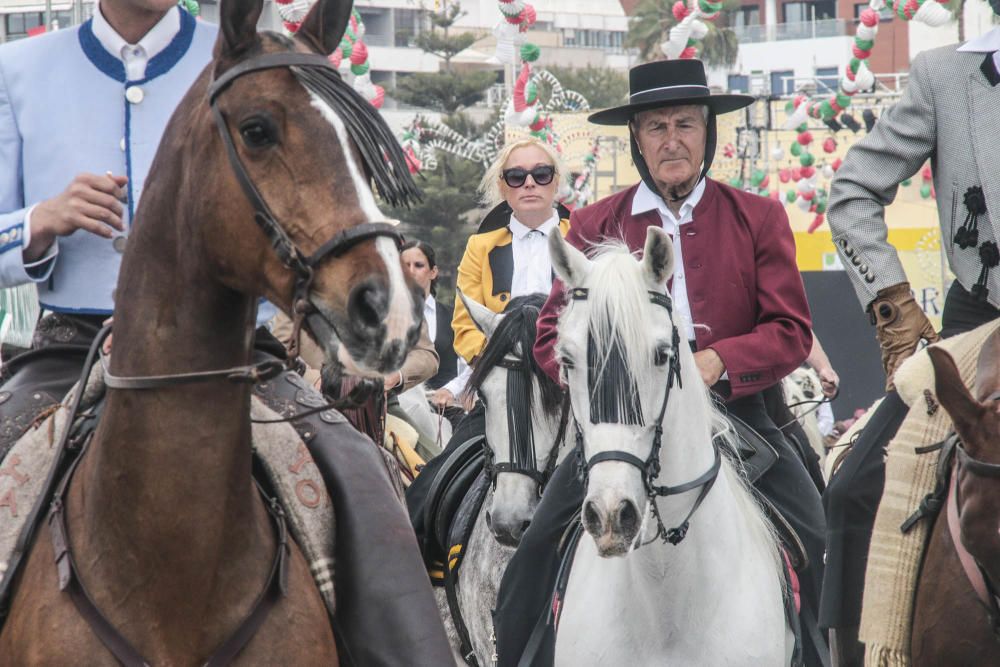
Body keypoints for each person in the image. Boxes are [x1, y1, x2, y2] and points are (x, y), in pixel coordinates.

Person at [0, 4, 450, 663]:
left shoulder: (251, 55)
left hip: (245, 353)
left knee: (362, 472)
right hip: (69, 348)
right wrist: (40, 218)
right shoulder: (20, 69)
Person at [493, 59, 828, 666]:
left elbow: (790, 331)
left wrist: (716, 363)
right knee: (533, 557)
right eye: (655, 127)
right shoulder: (595, 223)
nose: (671, 139)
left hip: (745, 415)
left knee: (821, 534)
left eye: (684, 123)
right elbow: (550, 336)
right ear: (637, 140)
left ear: (707, 133)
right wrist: (599, 378)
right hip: (618, 423)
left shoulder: (759, 217)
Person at [822, 17, 1000, 664]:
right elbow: (853, 192)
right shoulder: (942, 74)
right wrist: (895, 311)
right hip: (979, 326)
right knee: (854, 489)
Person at [405, 137, 571, 567]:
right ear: (503, 186)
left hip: (569, 391)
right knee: (432, 482)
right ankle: (418, 572)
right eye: (517, 176)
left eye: (541, 174)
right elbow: (464, 323)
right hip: (502, 390)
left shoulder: (583, 237)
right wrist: (502, 367)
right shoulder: (481, 247)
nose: (529, 183)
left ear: (557, 184)